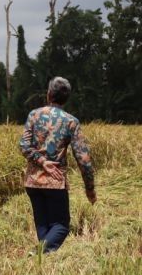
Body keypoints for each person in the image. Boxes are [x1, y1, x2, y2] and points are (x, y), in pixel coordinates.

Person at [19, 76, 96, 254]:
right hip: (55, 182)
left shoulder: (34, 115)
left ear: (49, 94)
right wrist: (90, 189)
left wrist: (41, 161)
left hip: (33, 182)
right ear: (66, 98)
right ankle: (36, 254)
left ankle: (40, 268)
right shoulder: (71, 122)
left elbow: (23, 145)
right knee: (61, 226)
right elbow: (83, 160)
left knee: (43, 227)